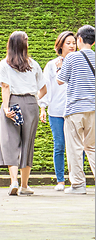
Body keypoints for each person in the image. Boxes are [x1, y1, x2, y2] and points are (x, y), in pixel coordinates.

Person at [0, 30, 45, 196]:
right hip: (31, 104)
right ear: (23, 45)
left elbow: (6, 87)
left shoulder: (5, 64)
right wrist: (33, 101)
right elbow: (43, 89)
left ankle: (14, 182)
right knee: (27, 143)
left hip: (13, 103)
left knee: (10, 142)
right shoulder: (33, 64)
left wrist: (5, 108)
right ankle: (24, 185)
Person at [57, 24, 96, 194]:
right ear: (93, 42)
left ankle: (78, 185)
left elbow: (60, 80)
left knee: (75, 147)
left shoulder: (72, 58)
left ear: (79, 39)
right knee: (93, 147)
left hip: (75, 109)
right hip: (93, 109)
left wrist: (60, 66)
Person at [38, 31, 75, 191]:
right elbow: (46, 87)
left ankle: (76, 180)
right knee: (59, 145)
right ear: (60, 45)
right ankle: (60, 180)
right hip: (56, 111)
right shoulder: (51, 65)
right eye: (68, 43)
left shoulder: (79, 62)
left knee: (76, 147)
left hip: (75, 110)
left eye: (74, 42)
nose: (72, 46)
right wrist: (43, 107)